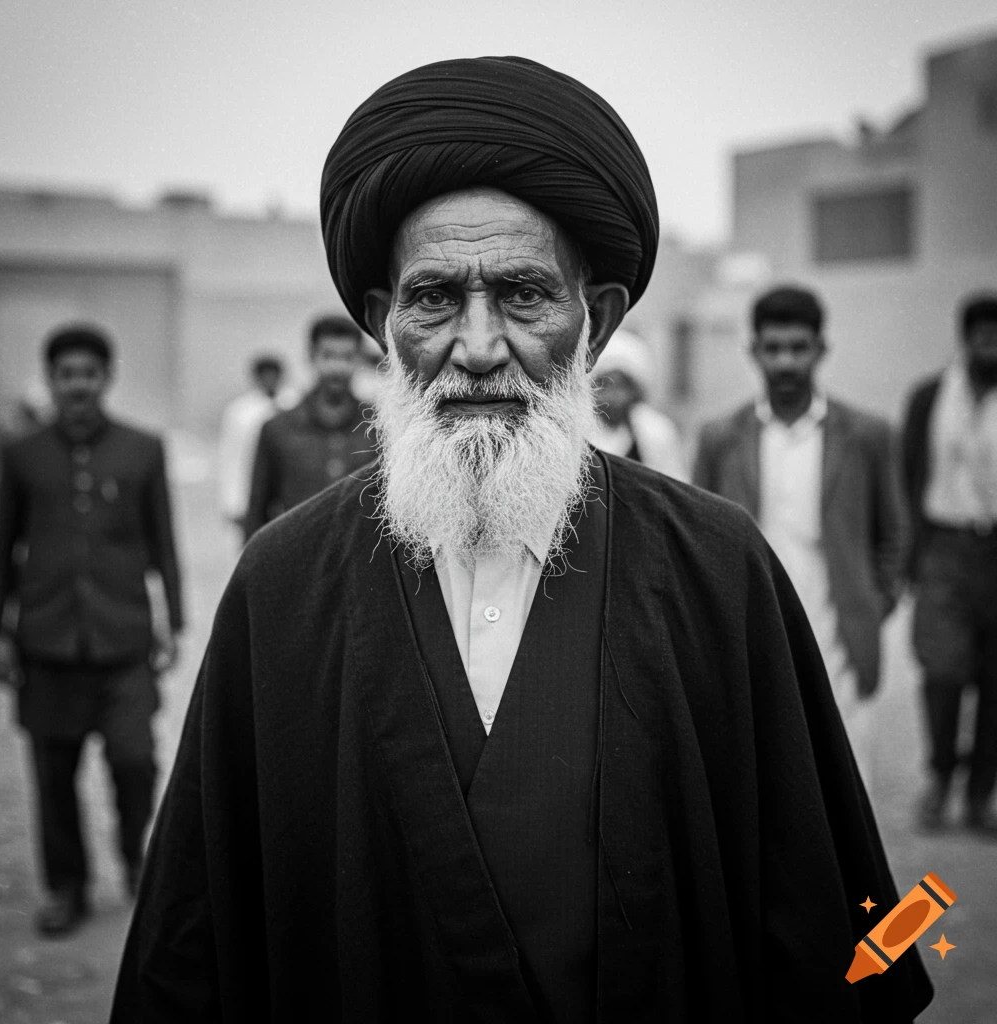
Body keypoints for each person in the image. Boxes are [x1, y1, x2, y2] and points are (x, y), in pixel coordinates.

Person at [112, 59, 931, 1022]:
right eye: (433, 300)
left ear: (599, 319)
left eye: (524, 295)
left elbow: (836, 937)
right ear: (382, 324)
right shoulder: (282, 585)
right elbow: (196, 952)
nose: (479, 343)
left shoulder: (719, 568)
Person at [0, 325, 184, 937]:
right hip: (46, 642)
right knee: (53, 773)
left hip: (123, 640)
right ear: (51, 380)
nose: (78, 385)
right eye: (66, 374)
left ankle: (134, 856)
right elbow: (1, 547)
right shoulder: (20, 452)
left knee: (135, 760)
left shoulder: (143, 449)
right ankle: (66, 887)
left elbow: (163, 542)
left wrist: (171, 620)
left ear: (106, 378)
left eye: (89, 374)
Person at [693, 287, 906, 794]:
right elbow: (698, 537)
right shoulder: (721, 437)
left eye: (798, 348)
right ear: (754, 352)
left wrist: (875, 603)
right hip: (750, 623)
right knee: (761, 772)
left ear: (820, 349)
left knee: (849, 775)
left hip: (840, 626)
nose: (786, 362)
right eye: (774, 348)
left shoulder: (867, 434)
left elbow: (893, 534)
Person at [903, 294, 997, 834]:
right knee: (941, 670)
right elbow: (908, 473)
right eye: (982, 334)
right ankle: (939, 779)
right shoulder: (931, 396)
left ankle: (981, 794)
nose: (990, 344)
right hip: (944, 550)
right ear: (966, 337)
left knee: (995, 681)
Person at [243, 315, 371, 539]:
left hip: (365, 562)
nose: (337, 367)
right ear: (311, 356)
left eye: (347, 357)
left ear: (359, 360)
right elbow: (257, 515)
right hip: (298, 560)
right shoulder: (277, 428)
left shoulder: (380, 427)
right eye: (328, 356)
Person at [590, 328, 687, 479]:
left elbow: (675, 485)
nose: (613, 396)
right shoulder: (577, 432)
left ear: (636, 391)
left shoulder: (657, 432)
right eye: (605, 386)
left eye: (621, 387)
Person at [216, 354, 296, 535]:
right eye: (265, 376)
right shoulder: (239, 412)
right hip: (251, 489)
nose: (269, 380)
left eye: (273, 375)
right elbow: (230, 458)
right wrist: (232, 501)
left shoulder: (293, 404)